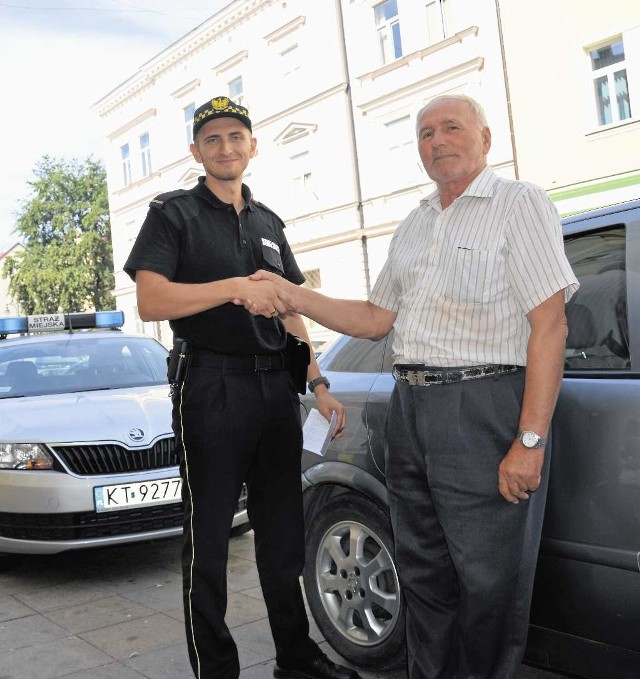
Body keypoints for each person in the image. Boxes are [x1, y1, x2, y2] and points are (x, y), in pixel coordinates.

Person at [249, 95, 579, 679]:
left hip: (481, 404)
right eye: (425, 133)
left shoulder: (519, 204)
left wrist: (529, 440)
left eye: (452, 127)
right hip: (411, 407)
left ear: (485, 138)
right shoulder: (417, 222)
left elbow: (549, 325)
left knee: (487, 577)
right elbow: (377, 319)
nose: (437, 141)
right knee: (422, 570)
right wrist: (292, 294)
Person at [123, 96, 357, 679]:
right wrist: (231, 287)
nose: (226, 148)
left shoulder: (269, 223)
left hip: (275, 393)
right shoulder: (174, 215)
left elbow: (291, 310)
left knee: (282, 537)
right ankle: (216, 670)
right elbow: (152, 299)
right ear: (196, 151)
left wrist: (318, 381)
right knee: (208, 543)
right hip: (210, 388)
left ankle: (296, 663)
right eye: (213, 139)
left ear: (253, 145)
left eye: (236, 137)